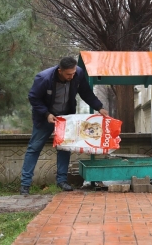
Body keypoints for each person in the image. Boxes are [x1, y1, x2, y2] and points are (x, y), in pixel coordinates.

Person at [20, 56, 108, 194]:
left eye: (73, 73)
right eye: (68, 74)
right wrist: (46, 114)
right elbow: (33, 97)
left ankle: (62, 181)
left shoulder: (78, 73)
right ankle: (25, 185)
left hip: (65, 119)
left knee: (64, 148)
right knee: (34, 148)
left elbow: (86, 93)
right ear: (60, 71)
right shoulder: (44, 78)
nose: (72, 76)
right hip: (45, 118)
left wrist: (99, 107)